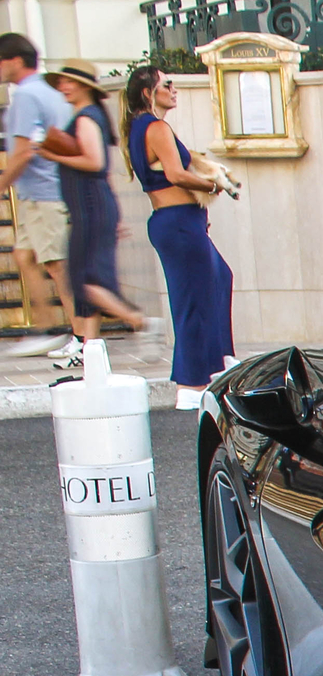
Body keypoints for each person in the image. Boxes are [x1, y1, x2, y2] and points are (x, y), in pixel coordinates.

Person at [124, 65, 234, 410]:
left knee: (219, 278)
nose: (174, 90)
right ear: (148, 92)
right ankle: (191, 382)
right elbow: (175, 174)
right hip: (177, 222)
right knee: (193, 299)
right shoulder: (155, 127)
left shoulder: (142, 127)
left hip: (181, 221)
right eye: (166, 85)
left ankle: (218, 363)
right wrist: (215, 185)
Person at [36, 60, 154, 370]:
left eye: (69, 82)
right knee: (86, 283)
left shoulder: (87, 118)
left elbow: (93, 162)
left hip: (89, 207)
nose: (64, 86)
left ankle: (138, 320)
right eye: (61, 82)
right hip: (92, 206)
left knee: (83, 280)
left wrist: (50, 154)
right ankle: (90, 355)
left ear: (85, 87)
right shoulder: (89, 116)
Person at [0, 33, 75, 362]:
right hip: (42, 192)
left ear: (15, 61)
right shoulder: (48, 90)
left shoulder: (27, 95)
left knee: (57, 265)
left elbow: (21, 153)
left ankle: (82, 338)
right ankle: (45, 329)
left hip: (44, 193)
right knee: (25, 256)